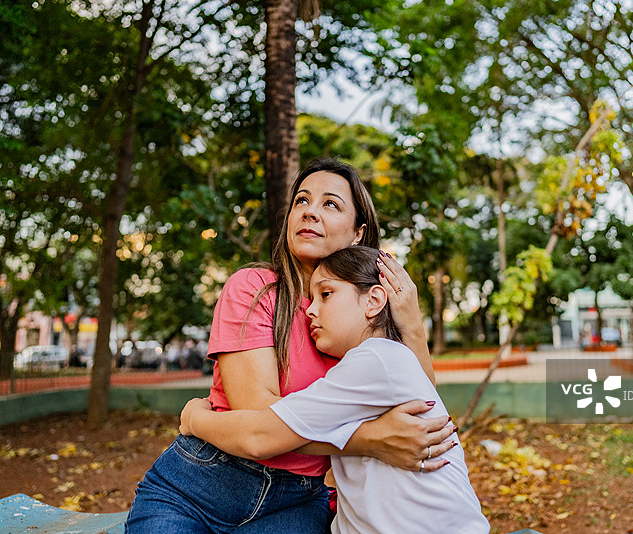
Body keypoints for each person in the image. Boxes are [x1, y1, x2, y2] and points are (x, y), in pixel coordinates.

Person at [125, 158, 455, 533]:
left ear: (359, 233)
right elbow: (261, 423)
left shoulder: (363, 318)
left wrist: (411, 325)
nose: (310, 212)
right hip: (200, 485)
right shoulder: (254, 287)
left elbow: (421, 415)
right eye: (302, 200)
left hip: (295, 501)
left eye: (330, 204)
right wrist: (371, 440)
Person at [180, 246, 490, 533]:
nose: (310, 310)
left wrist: (195, 420)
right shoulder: (387, 360)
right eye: (311, 298)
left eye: (326, 294)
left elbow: (259, 436)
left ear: (374, 300)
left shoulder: (375, 360)